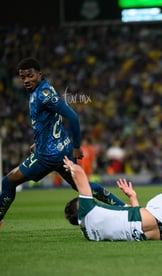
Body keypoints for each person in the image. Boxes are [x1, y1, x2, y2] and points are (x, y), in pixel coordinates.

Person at [0, 58, 126, 228]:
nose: (26, 80)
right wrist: (39, 141)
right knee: (82, 185)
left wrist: (77, 147)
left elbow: (73, 116)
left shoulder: (44, 95)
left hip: (48, 155)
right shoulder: (42, 91)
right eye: (23, 77)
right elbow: (50, 121)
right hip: (60, 150)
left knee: (8, 182)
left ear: (39, 74)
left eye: (30, 76)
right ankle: (124, 207)